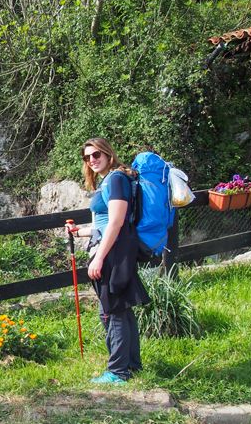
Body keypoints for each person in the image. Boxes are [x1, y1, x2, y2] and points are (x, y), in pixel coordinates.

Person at [66, 137, 150, 384]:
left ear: (108, 154)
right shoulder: (113, 179)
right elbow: (104, 224)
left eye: (96, 154)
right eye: (87, 157)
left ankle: (118, 371)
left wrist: (99, 258)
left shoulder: (115, 179)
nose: (92, 160)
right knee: (121, 309)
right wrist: (80, 232)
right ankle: (132, 365)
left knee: (113, 312)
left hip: (112, 252)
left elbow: (116, 222)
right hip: (116, 249)